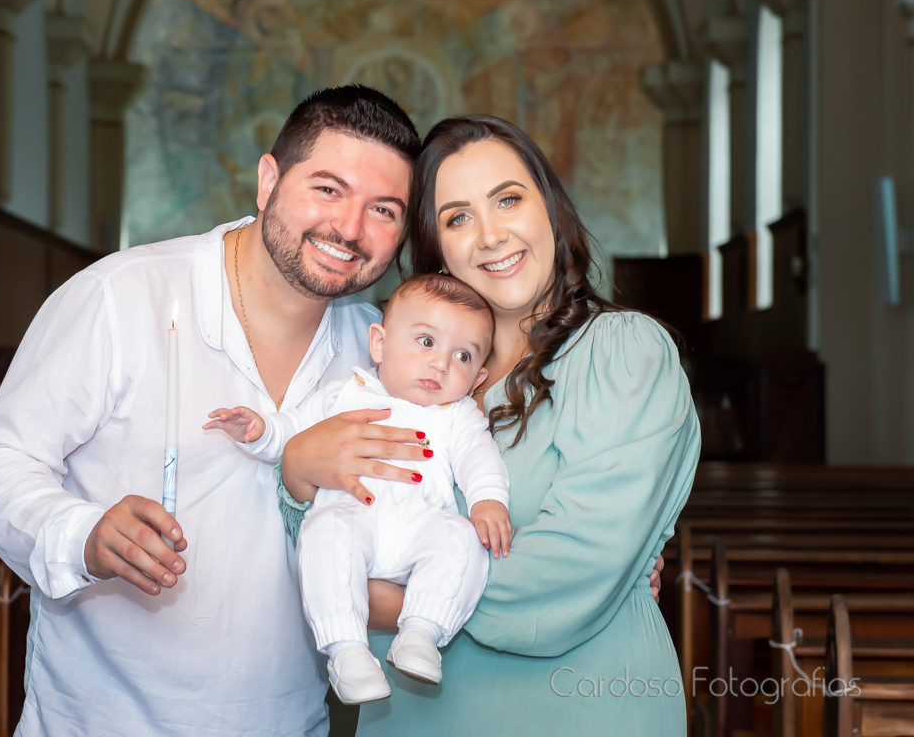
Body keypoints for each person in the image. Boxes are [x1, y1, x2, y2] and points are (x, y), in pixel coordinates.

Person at [0, 86, 435, 737]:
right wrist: (84, 533)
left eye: (383, 209)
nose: (350, 229)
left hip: (287, 723)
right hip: (101, 722)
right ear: (269, 181)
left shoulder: (377, 350)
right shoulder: (120, 298)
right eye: (327, 189)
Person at [279, 115, 700, 736]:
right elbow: (322, 529)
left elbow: (569, 576)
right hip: (412, 717)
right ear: (436, 251)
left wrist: (381, 601)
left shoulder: (623, 352)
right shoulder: (412, 379)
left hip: (577, 707)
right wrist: (295, 472)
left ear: (550, 209)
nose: (490, 235)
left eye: (508, 199)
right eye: (457, 217)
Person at [205, 273, 512, 704]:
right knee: (324, 534)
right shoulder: (345, 393)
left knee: (462, 539)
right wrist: (260, 430)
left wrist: (488, 502)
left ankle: (422, 633)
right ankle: (346, 651)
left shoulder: (456, 415)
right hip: (352, 520)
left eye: (462, 355)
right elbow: (292, 432)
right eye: (426, 342)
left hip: (419, 530)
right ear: (380, 344)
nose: (441, 364)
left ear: (478, 378)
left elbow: (480, 459)